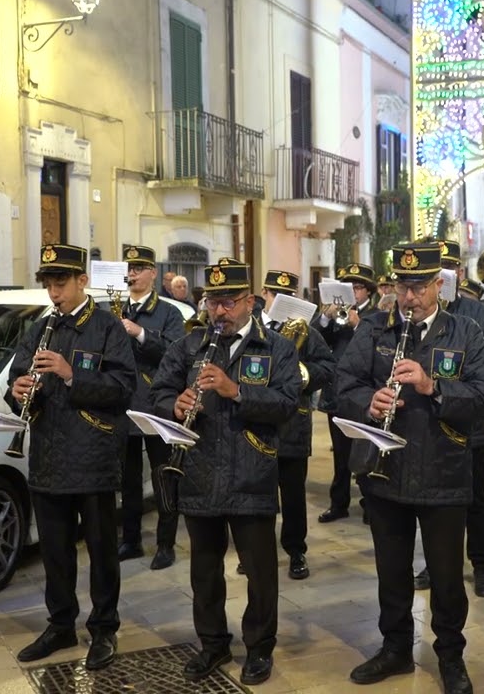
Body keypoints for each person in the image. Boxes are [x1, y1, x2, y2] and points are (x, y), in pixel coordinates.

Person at [336, 243, 484, 694]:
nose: (408, 298)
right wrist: (368, 402)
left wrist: (434, 386)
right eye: (401, 287)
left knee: (447, 577)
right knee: (391, 571)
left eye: (418, 288)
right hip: (386, 470)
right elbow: (342, 386)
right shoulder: (373, 329)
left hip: (445, 472)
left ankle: (450, 656)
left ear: (437, 286)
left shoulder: (464, 331)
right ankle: (395, 649)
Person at [150, 259, 300, 685]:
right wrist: (172, 405)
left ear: (249, 302)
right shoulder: (188, 347)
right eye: (212, 302)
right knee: (204, 571)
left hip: (251, 473)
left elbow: (288, 404)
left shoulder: (277, 348)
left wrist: (236, 391)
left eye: (229, 302)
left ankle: (258, 648)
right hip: (199, 472)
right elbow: (158, 391)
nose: (219, 311)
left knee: (260, 571)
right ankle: (212, 644)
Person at [8, 244, 138, 670]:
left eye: (60, 283)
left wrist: (69, 373)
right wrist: (17, 393)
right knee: (55, 553)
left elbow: (122, 389)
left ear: (82, 281)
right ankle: (61, 623)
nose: (53, 292)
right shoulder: (38, 329)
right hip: (47, 457)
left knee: (101, 552)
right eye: (47, 283)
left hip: (93, 458)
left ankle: (104, 629)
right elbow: (15, 378)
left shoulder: (106, 327)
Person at [414, 240, 484, 596]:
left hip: (469, 423)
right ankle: (432, 563)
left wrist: (462, 370)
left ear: (457, 273)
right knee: (429, 499)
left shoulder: (479, 315)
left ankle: (482, 565)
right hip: (426, 422)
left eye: (447, 269)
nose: (442, 276)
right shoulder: (414, 315)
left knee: (474, 499)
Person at [259, 269, 336, 579]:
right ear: (264, 293)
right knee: (258, 492)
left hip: (293, 423)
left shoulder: (308, 330)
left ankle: (296, 550)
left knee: (292, 494)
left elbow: (327, 367)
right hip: (255, 422)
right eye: (275, 294)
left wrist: (301, 373)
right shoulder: (249, 326)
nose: (281, 301)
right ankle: (257, 549)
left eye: (288, 296)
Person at [116, 245, 187, 570]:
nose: (133, 274)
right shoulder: (115, 307)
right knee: (128, 480)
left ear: (153, 273)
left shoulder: (168, 312)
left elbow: (175, 353)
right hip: (122, 405)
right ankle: (130, 540)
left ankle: (165, 544)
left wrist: (141, 333)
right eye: (129, 268)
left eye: (139, 268)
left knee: (163, 477)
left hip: (155, 407)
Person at [315, 263, 380, 523]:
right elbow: (317, 342)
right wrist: (325, 318)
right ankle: (338, 502)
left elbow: (374, 350)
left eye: (358, 287)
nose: (353, 292)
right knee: (340, 454)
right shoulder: (335, 315)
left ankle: (369, 502)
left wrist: (357, 325)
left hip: (363, 394)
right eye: (348, 287)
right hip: (337, 392)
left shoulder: (375, 317)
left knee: (364, 450)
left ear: (368, 292)